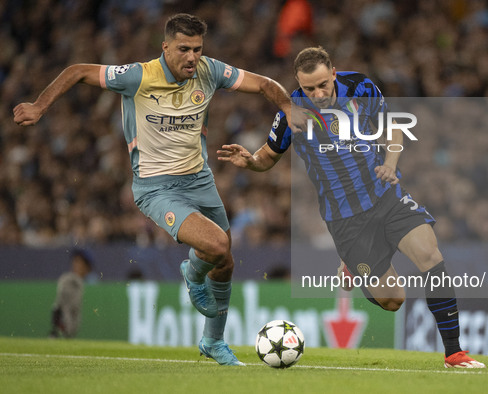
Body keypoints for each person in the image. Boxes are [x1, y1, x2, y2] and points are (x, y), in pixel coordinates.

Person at [14, 13, 305, 366]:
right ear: (165, 47)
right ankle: (192, 272)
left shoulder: (210, 71)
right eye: (183, 49)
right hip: (156, 188)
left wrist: (288, 107)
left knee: (225, 261)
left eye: (197, 49)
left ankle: (213, 342)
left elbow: (263, 83)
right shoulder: (138, 76)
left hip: (200, 179)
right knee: (215, 245)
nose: (192, 57)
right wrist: (39, 106)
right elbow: (77, 70)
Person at [217, 46, 486, 368]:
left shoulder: (360, 87)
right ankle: (353, 268)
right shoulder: (291, 113)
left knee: (430, 255)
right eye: (308, 88)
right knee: (393, 300)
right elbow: (268, 157)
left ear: (333, 73)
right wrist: (250, 161)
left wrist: (390, 162)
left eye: (322, 85)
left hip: (385, 193)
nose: (317, 93)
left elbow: (392, 125)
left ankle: (454, 353)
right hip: (346, 218)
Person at [49, 249, 93, 338]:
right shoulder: (67, 280)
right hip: (66, 324)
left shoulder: (92, 282)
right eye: (75, 261)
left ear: (87, 266)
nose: (76, 265)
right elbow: (59, 304)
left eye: (80, 262)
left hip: (74, 325)